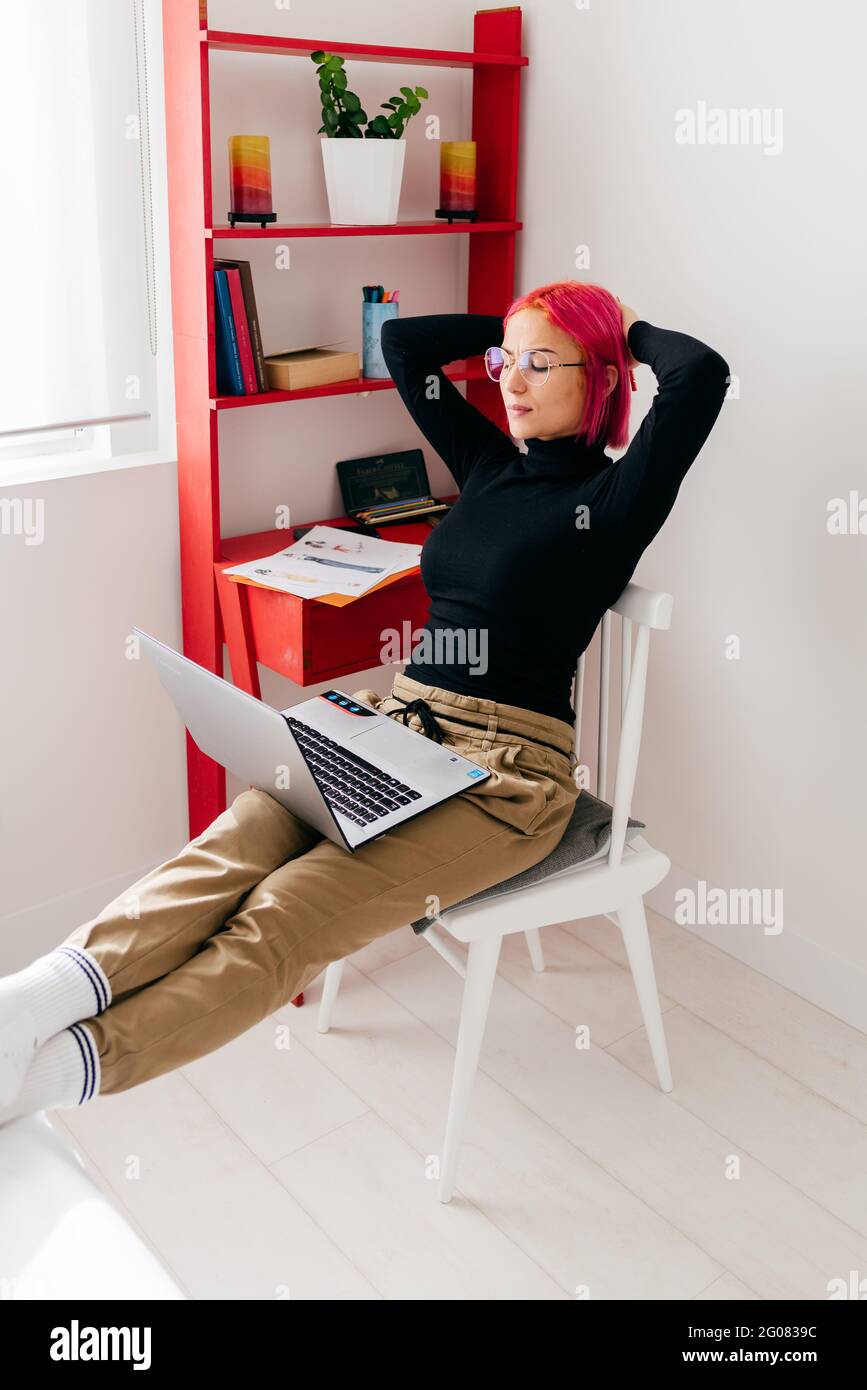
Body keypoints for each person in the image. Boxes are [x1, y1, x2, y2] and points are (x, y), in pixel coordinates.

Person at [0, 281, 729, 1126]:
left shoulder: (615, 502)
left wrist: (621, 330)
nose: (509, 379)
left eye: (540, 363)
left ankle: (44, 1079)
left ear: (598, 377)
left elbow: (700, 373)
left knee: (288, 912)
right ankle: (25, 1005)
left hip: (506, 777)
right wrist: (516, 325)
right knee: (238, 839)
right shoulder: (491, 467)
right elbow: (404, 346)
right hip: (400, 726)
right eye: (505, 360)